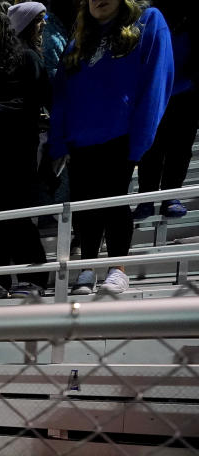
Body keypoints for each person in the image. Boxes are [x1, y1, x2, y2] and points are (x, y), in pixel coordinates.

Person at [50, 0, 174, 295]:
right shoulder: (79, 39)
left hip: (120, 135)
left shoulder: (148, 21)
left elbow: (156, 80)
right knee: (85, 209)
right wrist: (58, 142)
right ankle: (87, 267)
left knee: (115, 203)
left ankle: (117, 268)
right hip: (81, 140)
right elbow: (61, 94)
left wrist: (141, 138)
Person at [0, 11, 52, 299]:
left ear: (5, 33)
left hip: (17, 153)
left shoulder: (26, 59)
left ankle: (34, 278)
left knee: (17, 216)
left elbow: (31, 106)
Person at [135, 1, 198, 220]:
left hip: (187, 95)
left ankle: (172, 196)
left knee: (180, 149)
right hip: (155, 95)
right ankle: (146, 199)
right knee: (151, 149)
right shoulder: (151, 15)